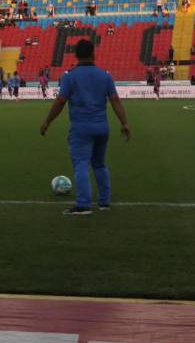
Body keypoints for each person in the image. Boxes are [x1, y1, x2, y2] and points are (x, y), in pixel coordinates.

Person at [39, 38, 131, 216]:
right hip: (102, 127)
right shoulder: (105, 75)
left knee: (81, 164)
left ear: (75, 55)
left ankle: (83, 205)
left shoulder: (69, 76)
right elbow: (115, 100)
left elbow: (60, 102)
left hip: (81, 128)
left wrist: (47, 121)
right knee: (99, 164)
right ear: (93, 54)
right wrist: (124, 122)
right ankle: (104, 202)